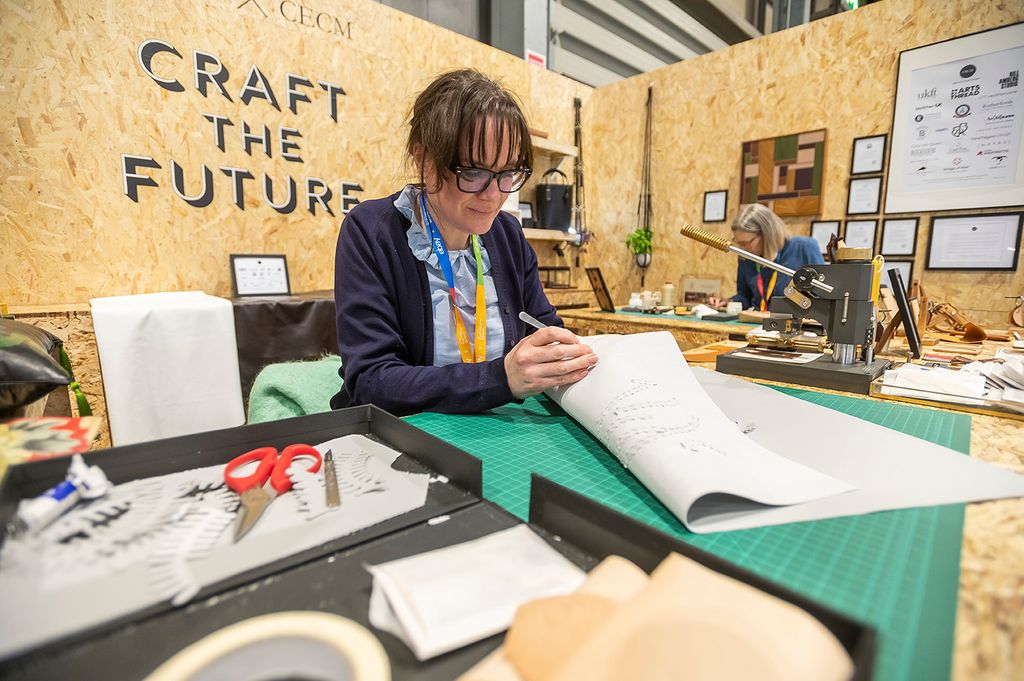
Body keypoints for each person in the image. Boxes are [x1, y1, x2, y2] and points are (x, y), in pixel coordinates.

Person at [331, 69, 598, 416]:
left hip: (495, 425)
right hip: (401, 428)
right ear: (424, 160)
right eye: (473, 173)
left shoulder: (507, 235)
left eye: (508, 173)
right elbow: (371, 381)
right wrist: (501, 378)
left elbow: (544, 326)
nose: (493, 195)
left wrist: (561, 354)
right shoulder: (371, 232)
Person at [708, 203, 825, 311]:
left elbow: (823, 295)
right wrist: (729, 302)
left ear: (767, 234)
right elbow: (745, 296)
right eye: (739, 243)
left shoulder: (804, 248)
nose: (743, 249)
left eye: (747, 243)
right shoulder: (746, 257)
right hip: (757, 322)